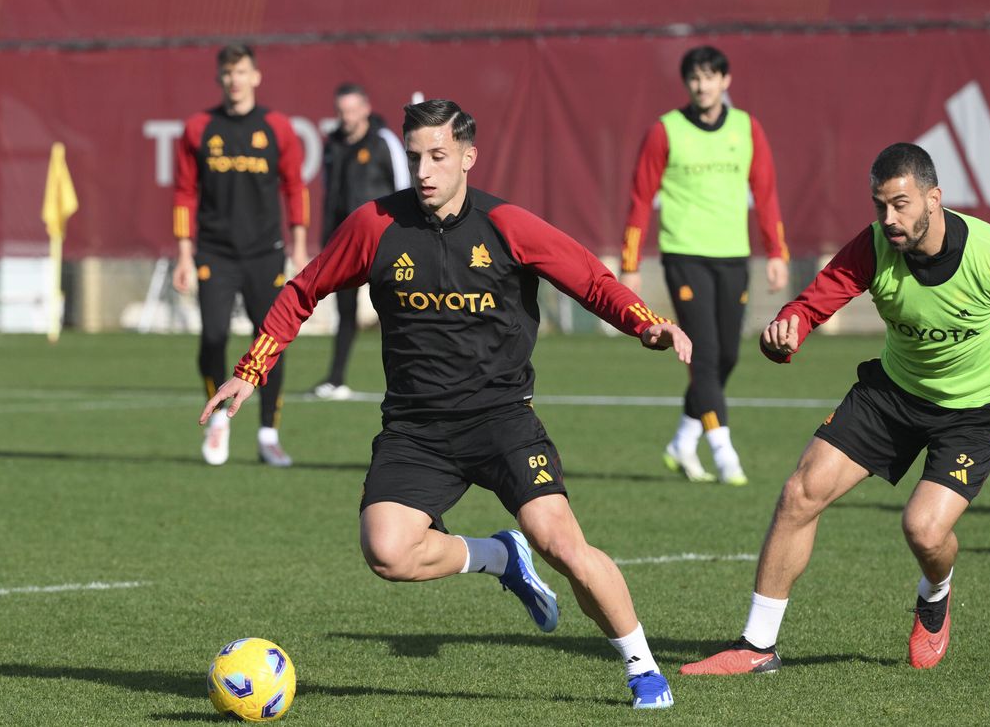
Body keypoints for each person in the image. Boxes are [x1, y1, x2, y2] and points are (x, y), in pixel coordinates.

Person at [201, 99, 693, 709]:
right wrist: (250, 371)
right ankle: (496, 556)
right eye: (415, 158)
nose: (424, 171)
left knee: (561, 543)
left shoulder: (508, 224)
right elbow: (304, 289)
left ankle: (642, 666)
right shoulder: (375, 226)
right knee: (386, 551)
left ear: (468, 157)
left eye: (438, 156)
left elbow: (591, 279)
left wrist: (645, 323)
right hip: (416, 429)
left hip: (502, 419)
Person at [679, 142, 990, 675]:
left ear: (934, 199)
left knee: (923, 530)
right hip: (894, 393)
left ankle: (936, 591)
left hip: (977, 408)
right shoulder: (873, 246)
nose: (888, 218)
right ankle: (757, 646)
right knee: (800, 492)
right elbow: (813, 303)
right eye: (880, 205)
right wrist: (786, 331)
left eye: (900, 204)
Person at [619, 45, 789, 485]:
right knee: (705, 355)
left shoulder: (747, 128)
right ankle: (725, 453)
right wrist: (630, 262)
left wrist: (776, 252)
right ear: (686, 83)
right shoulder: (665, 130)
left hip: (733, 256)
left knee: (727, 355)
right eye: (695, 78)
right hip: (684, 255)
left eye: (710, 76)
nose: (702, 85)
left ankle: (683, 441)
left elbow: (766, 193)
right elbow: (640, 198)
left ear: (725, 81)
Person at [173, 44, 309, 467]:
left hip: (265, 253)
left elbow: (295, 188)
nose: (235, 80)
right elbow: (184, 192)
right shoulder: (199, 128)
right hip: (215, 252)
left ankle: (268, 434)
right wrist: (184, 254)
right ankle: (218, 421)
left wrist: (299, 246)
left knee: (268, 342)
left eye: (242, 71)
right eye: (228, 72)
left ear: (256, 76)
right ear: (220, 78)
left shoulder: (277, 127)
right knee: (213, 336)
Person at [312, 83, 411, 401]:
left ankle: (409, 380)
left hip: (385, 241)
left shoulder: (384, 142)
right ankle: (335, 379)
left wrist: (406, 235)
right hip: (346, 243)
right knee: (345, 311)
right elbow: (329, 195)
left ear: (366, 109)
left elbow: (404, 186)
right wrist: (328, 240)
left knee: (398, 310)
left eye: (353, 110)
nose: (347, 117)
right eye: (342, 111)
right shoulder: (332, 145)